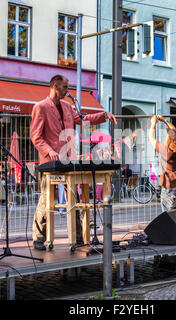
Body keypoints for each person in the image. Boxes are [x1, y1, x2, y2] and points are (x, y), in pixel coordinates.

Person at [30, 74, 117, 250]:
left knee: (74, 198)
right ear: (54, 86)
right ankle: (38, 237)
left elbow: (83, 119)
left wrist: (103, 115)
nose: (67, 90)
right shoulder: (41, 107)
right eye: (64, 87)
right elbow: (36, 137)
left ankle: (78, 237)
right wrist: (50, 151)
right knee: (47, 199)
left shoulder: (67, 106)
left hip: (69, 160)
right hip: (50, 162)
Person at [148, 115, 176, 212]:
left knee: (167, 213)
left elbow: (151, 138)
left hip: (168, 184)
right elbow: (175, 131)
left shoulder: (166, 151)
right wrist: (165, 120)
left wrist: (153, 124)